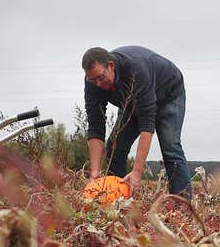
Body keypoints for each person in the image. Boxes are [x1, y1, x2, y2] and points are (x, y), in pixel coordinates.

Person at [81, 45, 192, 199]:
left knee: (170, 147)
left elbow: (147, 124)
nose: (98, 84)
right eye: (92, 79)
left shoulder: (135, 69)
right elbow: (95, 126)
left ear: (111, 66)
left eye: (100, 77)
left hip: (168, 94)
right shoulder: (92, 83)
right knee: (115, 147)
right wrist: (94, 171)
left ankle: (182, 202)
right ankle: (118, 197)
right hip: (133, 101)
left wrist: (137, 173)